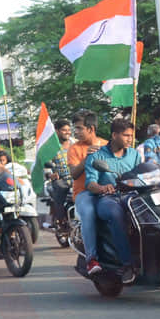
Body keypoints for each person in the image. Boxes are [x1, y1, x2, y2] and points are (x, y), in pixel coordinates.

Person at [82, 119, 141, 281]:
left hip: (132, 196)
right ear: (114, 135)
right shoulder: (97, 156)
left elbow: (142, 175)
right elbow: (90, 183)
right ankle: (126, 264)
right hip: (108, 198)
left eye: (131, 136)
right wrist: (102, 188)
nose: (130, 139)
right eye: (126, 135)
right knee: (116, 214)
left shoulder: (135, 154)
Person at [68, 112, 109, 271]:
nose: (75, 132)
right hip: (84, 193)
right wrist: (87, 157)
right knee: (90, 213)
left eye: (79, 128)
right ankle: (92, 259)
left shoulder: (107, 145)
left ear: (91, 128)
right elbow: (74, 174)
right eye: (75, 128)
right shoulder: (74, 149)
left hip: (107, 191)